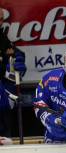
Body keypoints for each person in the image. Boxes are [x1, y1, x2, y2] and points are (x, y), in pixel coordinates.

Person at [0, 7, 26, 137]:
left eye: (1, 19)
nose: (0, 22)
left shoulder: (1, 36)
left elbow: (15, 53)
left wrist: (17, 60)